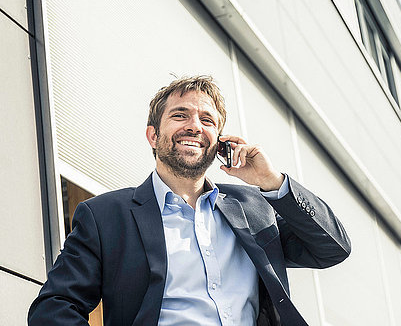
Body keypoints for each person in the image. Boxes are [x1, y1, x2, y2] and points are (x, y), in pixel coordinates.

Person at [28, 75, 351, 326]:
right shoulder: (105, 216)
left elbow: (333, 248)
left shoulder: (255, 208)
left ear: (219, 142)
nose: (194, 126)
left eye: (207, 120)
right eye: (180, 115)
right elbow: (55, 308)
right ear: (153, 136)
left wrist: (272, 182)